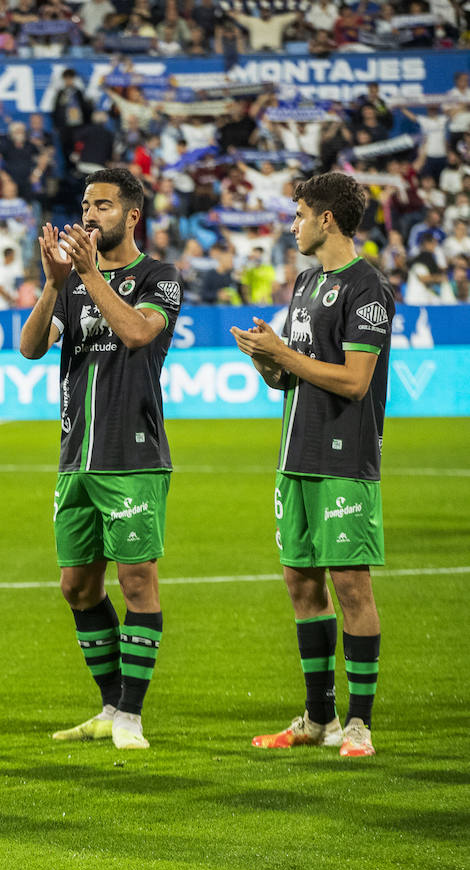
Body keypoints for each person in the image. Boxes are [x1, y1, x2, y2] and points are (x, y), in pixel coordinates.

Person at [230, 173, 395, 758]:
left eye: (298, 213)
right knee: (301, 583)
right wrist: (268, 361)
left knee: (351, 587)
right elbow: (295, 372)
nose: (292, 223)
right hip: (294, 456)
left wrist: (285, 355)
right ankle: (317, 718)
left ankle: (359, 724)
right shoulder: (304, 282)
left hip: (343, 460)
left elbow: (355, 380)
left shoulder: (367, 288)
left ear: (327, 219)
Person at [18, 168, 184, 751]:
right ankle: (111, 705)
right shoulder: (70, 282)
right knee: (77, 587)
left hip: (133, 454)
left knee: (138, 582)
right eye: (85, 205)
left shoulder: (160, 277)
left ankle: (132, 717)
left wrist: (89, 275)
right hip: (76, 458)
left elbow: (139, 333)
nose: (89, 216)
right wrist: (53, 284)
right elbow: (31, 347)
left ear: (131, 215)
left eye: (104, 207)